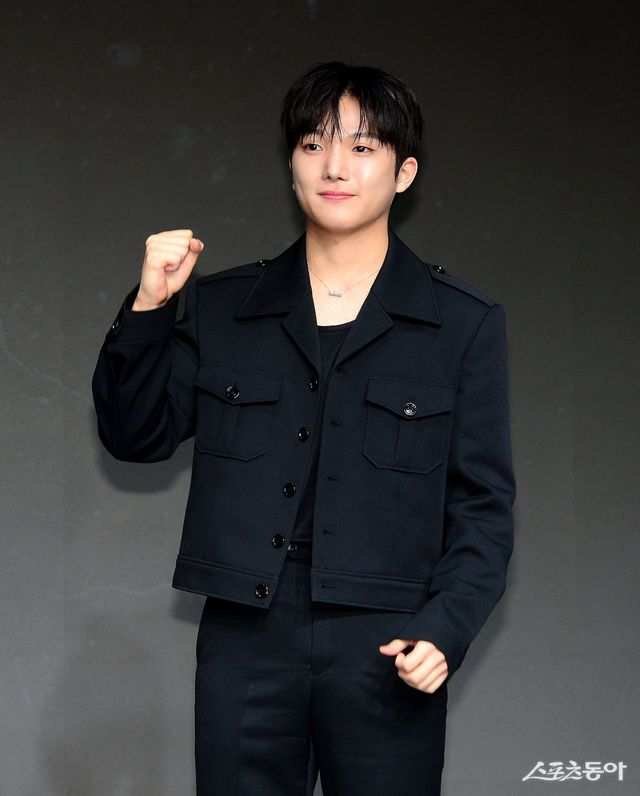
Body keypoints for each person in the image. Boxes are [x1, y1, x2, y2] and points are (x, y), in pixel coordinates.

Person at [92, 61, 516, 795]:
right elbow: (135, 436)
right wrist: (151, 309)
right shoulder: (223, 307)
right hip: (247, 635)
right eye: (314, 145)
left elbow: (483, 505)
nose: (335, 167)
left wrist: (445, 628)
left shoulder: (462, 324)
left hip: (387, 639)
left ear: (404, 172)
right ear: (291, 165)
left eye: (362, 146)